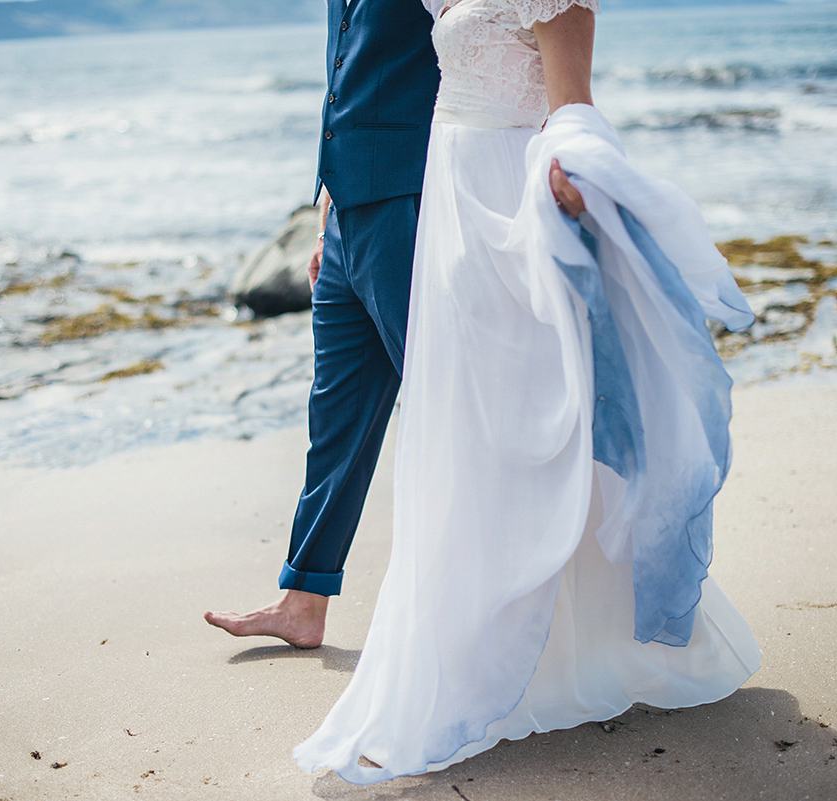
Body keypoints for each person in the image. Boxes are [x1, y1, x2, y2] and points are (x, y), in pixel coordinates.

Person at [291, 0, 762, 784]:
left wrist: (573, 172)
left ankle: (515, 664)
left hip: (514, 213)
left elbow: (571, 106)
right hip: (451, 210)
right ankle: (485, 659)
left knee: (520, 436)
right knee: (463, 437)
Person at [204, 0, 590, 648]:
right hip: (347, 209)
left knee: (459, 415)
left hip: (415, 207)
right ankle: (303, 599)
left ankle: (525, 609)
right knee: (336, 415)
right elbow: (344, 76)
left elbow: (480, 60)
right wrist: (327, 203)